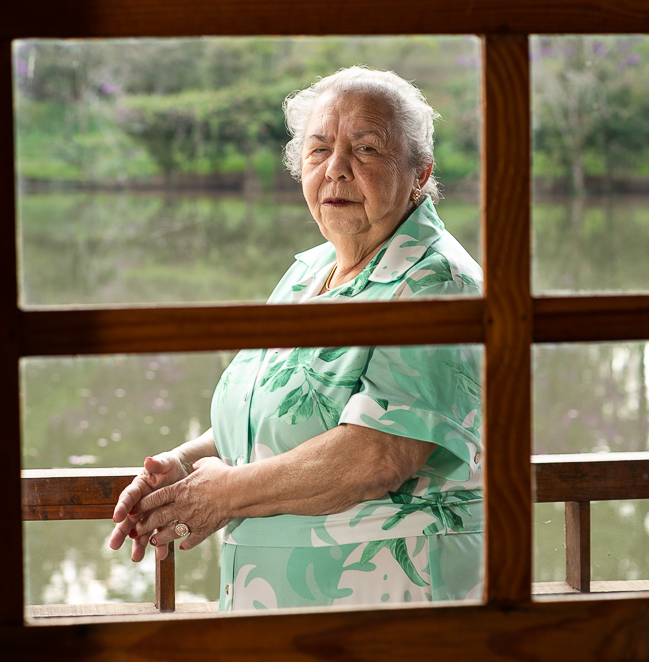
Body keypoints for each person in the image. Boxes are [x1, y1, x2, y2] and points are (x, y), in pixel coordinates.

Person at [110, 66, 484, 609]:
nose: (336, 169)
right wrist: (184, 468)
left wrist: (223, 494)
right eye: (319, 150)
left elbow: (378, 452)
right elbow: (273, 415)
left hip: (387, 605)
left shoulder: (438, 283)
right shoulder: (308, 273)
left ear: (419, 173)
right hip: (281, 604)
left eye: (366, 149)